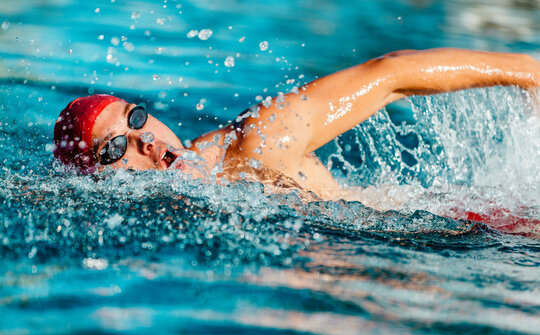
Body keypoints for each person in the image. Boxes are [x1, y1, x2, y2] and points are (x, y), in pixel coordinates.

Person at [53, 48, 540, 202]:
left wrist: (529, 72)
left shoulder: (256, 143)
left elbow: (390, 74)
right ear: (98, 181)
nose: (145, 139)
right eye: (115, 149)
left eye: (136, 118)